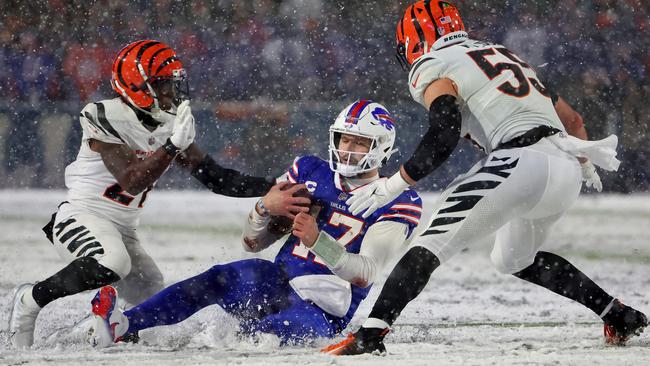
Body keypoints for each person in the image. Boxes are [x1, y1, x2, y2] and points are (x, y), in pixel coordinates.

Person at [322, 1, 647, 355]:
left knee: (430, 243)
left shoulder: (433, 64)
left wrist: (393, 184)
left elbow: (443, 131)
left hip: (521, 161)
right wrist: (583, 162)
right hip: (565, 168)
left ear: (413, 41)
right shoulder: (501, 52)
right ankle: (617, 314)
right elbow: (572, 120)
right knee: (513, 259)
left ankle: (371, 334)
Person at [8, 40, 305, 349]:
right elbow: (131, 180)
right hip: (82, 217)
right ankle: (31, 299)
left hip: (123, 229)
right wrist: (171, 146)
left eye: (173, 84)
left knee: (147, 302)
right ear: (136, 84)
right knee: (112, 261)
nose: (171, 93)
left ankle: (84, 332)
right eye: (162, 84)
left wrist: (276, 182)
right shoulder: (102, 113)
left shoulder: (167, 122)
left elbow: (216, 178)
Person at [87, 100, 423, 347]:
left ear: (382, 147)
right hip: (276, 280)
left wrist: (318, 241)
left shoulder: (400, 200)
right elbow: (251, 243)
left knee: (258, 339)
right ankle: (125, 324)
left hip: (323, 308)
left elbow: (366, 272)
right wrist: (263, 208)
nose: (348, 149)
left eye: (360, 142)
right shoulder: (309, 170)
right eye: (344, 139)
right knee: (217, 278)